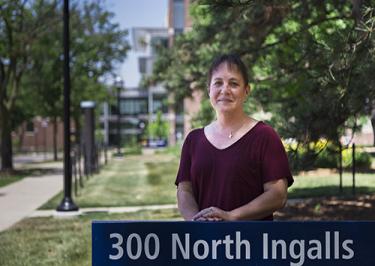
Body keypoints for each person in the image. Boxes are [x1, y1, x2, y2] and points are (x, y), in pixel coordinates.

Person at [175, 54, 294, 221]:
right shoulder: (194, 140)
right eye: (218, 83)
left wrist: (232, 216)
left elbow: (278, 195)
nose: (225, 90)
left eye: (233, 83)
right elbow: (184, 190)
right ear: (209, 90)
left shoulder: (264, 136)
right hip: (205, 244)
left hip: (252, 244)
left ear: (246, 91)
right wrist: (196, 221)